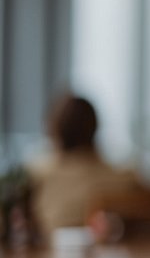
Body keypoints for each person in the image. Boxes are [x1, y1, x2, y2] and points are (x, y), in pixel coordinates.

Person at [27, 94, 141, 241]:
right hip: (103, 257)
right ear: (94, 128)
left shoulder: (37, 173)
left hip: (47, 256)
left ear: (55, 129)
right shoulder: (122, 177)